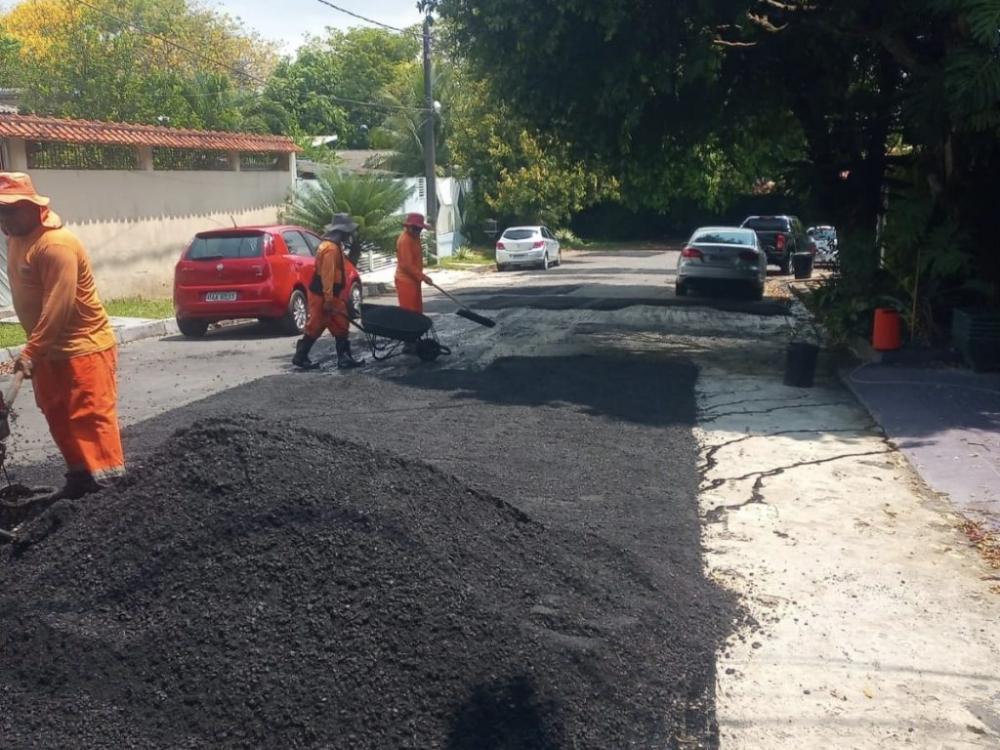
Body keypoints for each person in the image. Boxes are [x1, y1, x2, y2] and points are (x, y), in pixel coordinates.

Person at [0, 172, 125, 499]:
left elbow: (59, 306)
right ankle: (80, 481)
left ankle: (111, 492)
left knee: (89, 418)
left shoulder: (55, 244)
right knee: (57, 414)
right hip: (48, 351)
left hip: (83, 348)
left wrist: (31, 352)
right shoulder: (15, 238)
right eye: (0, 211)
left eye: (10, 210)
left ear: (33, 207)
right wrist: (36, 352)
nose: (4, 218)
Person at [292, 213, 364, 370]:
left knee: (341, 324)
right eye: (348, 232)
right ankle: (300, 356)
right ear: (341, 231)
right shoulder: (330, 249)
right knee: (316, 325)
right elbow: (327, 276)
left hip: (329, 294)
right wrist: (328, 299)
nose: (349, 235)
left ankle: (344, 358)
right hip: (322, 294)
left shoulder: (335, 246)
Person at [395, 212, 433, 315]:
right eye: (415, 228)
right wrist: (423, 277)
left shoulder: (415, 237)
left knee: (417, 311)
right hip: (405, 281)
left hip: (414, 280)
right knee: (410, 313)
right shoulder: (405, 241)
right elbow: (407, 265)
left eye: (419, 229)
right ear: (409, 227)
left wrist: (420, 277)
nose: (418, 231)